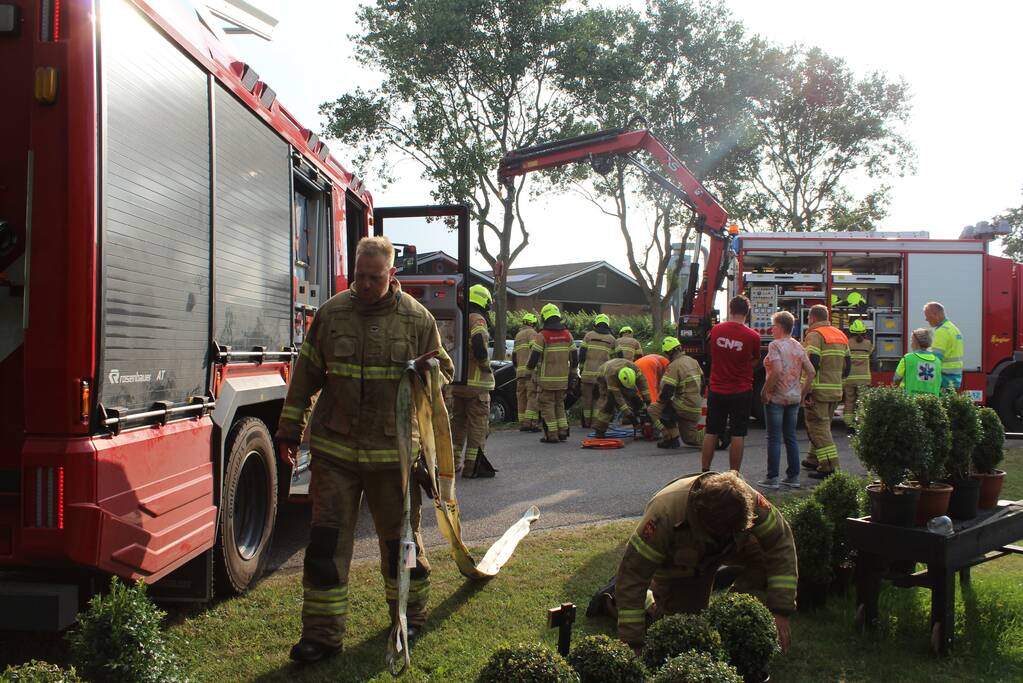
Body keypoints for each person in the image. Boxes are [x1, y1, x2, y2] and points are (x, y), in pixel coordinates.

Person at [275, 235, 453, 663]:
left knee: (401, 544)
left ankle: (408, 619)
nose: (367, 285)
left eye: (375, 278)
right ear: (354, 270)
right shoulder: (332, 315)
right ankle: (321, 636)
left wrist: (428, 369)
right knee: (325, 544)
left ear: (392, 275)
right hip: (335, 453)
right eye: (360, 276)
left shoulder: (417, 319)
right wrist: (288, 431)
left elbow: (443, 369)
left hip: (393, 458)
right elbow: (306, 377)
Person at [614, 471, 796, 654]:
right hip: (681, 564)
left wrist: (780, 610)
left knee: (766, 557)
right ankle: (648, 599)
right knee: (685, 625)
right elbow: (633, 576)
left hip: (729, 549)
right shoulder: (664, 514)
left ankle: (735, 611)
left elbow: (780, 541)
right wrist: (632, 644)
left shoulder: (749, 500)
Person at [701, 295, 761, 473]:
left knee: (711, 431)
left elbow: (711, 354)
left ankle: (705, 471)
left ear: (730, 309)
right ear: (747, 312)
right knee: (738, 434)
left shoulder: (716, 330)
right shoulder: (753, 336)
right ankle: (734, 474)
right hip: (741, 390)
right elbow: (755, 359)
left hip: (717, 389)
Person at [757, 312, 815, 490]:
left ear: (780, 327)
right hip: (794, 398)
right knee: (791, 437)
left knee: (774, 437)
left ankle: (772, 477)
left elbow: (776, 371)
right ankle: (793, 476)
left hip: (777, 397)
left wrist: (764, 391)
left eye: (773, 326)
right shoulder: (799, 346)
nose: (771, 329)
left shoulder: (775, 345)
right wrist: (802, 394)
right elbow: (811, 372)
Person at [447, 284, 497, 478]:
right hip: (477, 386)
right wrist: (485, 364)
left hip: (458, 384)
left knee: (457, 425)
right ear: (483, 301)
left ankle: (451, 463)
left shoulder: (459, 317)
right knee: (477, 427)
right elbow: (478, 343)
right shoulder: (478, 319)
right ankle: (472, 466)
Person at [801, 304, 850, 480]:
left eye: (808, 319)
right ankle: (813, 459)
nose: (808, 322)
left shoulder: (815, 335)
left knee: (817, 427)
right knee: (823, 425)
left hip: (818, 391)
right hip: (835, 390)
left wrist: (805, 391)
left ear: (813, 318)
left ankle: (829, 465)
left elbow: (811, 363)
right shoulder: (840, 335)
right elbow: (847, 366)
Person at [527, 304, 578, 443]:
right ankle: (563, 432)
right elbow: (575, 357)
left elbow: (533, 358)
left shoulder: (542, 335)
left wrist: (528, 372)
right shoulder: (568, 335)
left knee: (547, 406)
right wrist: (572, 374)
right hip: (562, 380)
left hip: (546, 381)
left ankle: (551, 435)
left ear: (544, 317)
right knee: (559, 405)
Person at [648, 336, 704, 448]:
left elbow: (667, 391)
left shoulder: (674, 366)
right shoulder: (693, 361)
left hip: (683, 406)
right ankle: (717, 432)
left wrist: (662, 406)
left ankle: (670, 437)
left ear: (669, 352)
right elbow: (703, 383)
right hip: (696, 407)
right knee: (691, 439)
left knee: (653, 409)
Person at [591, 358, 651, 438]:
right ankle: (600, 429)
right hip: (603, 377)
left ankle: (638, 421)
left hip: (620, 372)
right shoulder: (612, 376)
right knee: (609, 402)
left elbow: (643, 386)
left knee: (634, 397)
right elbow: (618, 399)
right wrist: (631, 416)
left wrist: (648, 402)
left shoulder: (635, 370)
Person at [579, 314, 617, 428]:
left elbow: (582, 353)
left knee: (587, 399)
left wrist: (581, 368)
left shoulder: (588, 336)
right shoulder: (612, 339)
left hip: (587, 374)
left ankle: (586, 423)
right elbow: (616, 358)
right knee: (599, 399)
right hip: (602, 376)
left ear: (596, 323)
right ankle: (596, 422)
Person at [924, 301, 964, 390]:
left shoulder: (941, 332)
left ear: (936, 315)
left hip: (944, 379)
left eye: (927, 316)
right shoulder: (953, 328)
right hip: (955, 378)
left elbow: (935, 359)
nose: (926, 319)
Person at [843, 319, 874, 433]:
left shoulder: (846, 343)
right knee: (862, 402)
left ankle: (849, 426)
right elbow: (872, 355)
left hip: (849, 378)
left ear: (850, 331)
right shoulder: (868, 344)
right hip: (864, 379)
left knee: (849, 401)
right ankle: (861, 425)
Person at [893, 328, 942, 396]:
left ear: (916, 342)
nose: (911, 343)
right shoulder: (937, 361)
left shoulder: (907, 359)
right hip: (932, 401)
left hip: (910, 400)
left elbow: (896, 379)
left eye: (911, 340)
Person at [514, 312, 541, 432]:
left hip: (519, 372)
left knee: (521, 397)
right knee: (532, 396)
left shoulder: (518, 336)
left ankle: (522, 422)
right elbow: (535, 352)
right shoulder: (532, 333)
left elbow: (514, 356)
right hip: (530, 372)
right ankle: (531, 423)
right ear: (533, 323)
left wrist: (517, 369)